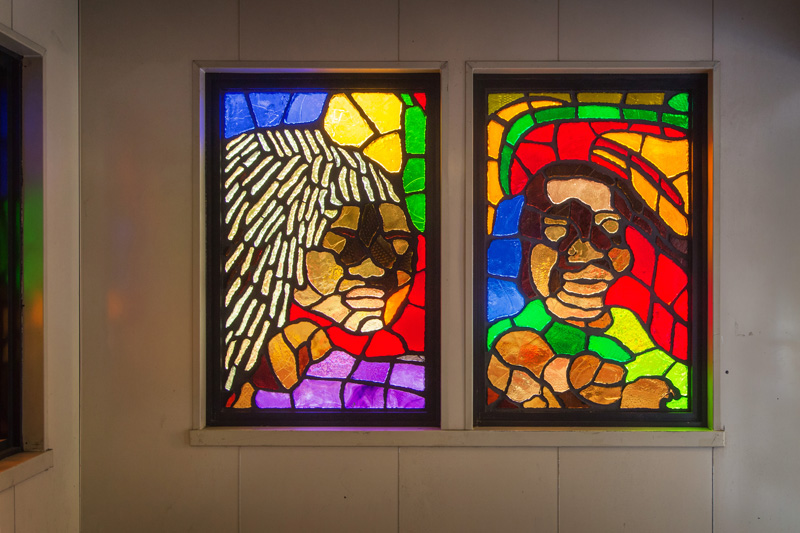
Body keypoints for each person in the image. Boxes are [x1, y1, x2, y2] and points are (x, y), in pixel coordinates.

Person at [486, 162, 689, 409]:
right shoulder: (510, 335)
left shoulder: (634, 331)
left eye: (608, 226)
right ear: (529, 244)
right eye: (556, 229)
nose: (584, 251)